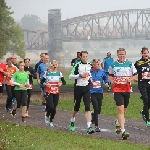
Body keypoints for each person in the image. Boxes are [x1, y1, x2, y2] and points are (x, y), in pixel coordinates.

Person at [108, 48, 138, 140]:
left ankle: (118, 122)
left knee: (124, 111)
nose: (121, 56)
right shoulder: (113, 65)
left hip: (127, 89)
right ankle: (123, 131)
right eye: (120, 54)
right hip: (117, 90)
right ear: (117, 55)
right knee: (120, 110)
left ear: (125, 55)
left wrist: (130, 79)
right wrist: (112, 81)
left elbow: (136, 74)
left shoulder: (130, 64)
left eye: (123, 54)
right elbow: (109, 75)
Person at [69, 51, 94, 134]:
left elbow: (90, 75)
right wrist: (80, 75)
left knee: (88, 107)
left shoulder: (90, 65)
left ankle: (89, 126)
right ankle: (72, 120)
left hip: (86, 88)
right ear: (80, 57)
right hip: (78, 88)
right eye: (84, 57)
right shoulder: (77, 65)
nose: (85, 58)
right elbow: (70, 76)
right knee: (77, 107)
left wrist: (92, 81)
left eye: (86, 56)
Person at [41, 60, 66, 127]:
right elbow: (41, 82)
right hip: (49, 92)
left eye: (56, 65)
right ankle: (47, 115)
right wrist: (46, 84)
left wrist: (61, 83)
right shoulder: (47, 73)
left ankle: (51, 120)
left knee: (54, 108)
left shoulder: (59, 73)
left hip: (56, 92)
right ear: (51, 65)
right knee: (51, 106)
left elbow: (64, 82)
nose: (55, 66)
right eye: (53, 65)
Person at [90, 59, 110, 132]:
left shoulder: (102, 71)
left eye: (99, 64)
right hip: (92, 92)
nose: (99, 65)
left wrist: (107, 83)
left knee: (98, 110)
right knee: (95, 107)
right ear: (93, 65)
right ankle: (97, 126)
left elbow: (106, 79)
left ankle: (93, 115)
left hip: (100, 92)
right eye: (97, 64)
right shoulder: (89, 72)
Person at [134, 47, 150, 127]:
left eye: (146, 53)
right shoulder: (138, 63)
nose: (145, 54)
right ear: (142, 54)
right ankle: (147, 120)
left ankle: (144, 112)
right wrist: (135, 78)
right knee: (146, 100)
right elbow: (133, 72)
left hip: (149, 83)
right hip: (142, 84)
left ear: (148, 53)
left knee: (149, 101)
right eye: (144, 53)